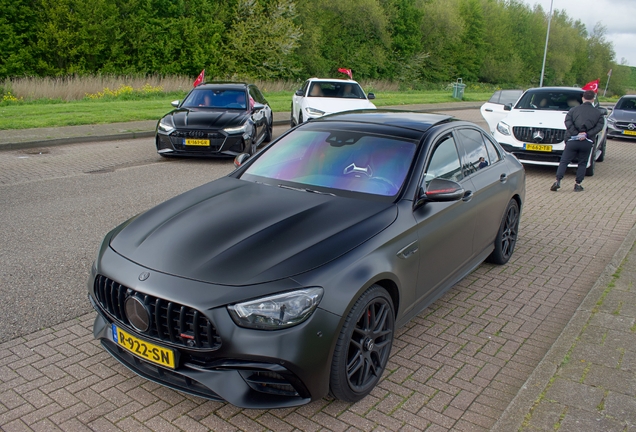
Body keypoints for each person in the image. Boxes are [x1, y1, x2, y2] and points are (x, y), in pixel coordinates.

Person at [550, 90, 604, 192]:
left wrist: (576, 133)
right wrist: (586, 134)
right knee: (582, 163)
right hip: (587, 141)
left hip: (572, 141)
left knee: (564, 161)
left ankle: (558, 181)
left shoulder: (573, 110)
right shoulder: (598, 113)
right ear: (593, 99)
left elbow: (568, 122)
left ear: (583, 98)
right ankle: (578, 184)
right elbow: (599, 126)